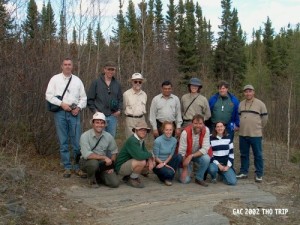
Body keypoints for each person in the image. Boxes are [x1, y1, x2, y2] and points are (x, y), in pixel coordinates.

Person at [45, 58, 87, 178]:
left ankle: (78, 166)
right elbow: (48, 95)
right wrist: (61, 104)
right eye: (65, 64)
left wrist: (78, 108)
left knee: (77, 142)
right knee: (63, 141)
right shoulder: (55, 79)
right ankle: (67, 167)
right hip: (60, 113)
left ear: (72, 67)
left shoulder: (77, 81)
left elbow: (83, 98)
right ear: (61, 66)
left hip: (74, 114)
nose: (67, 66)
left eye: (69, 65)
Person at [237, 85, 268, 183]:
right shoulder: (241, 104)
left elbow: (265, 119)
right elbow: (238, 117)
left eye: (250, 91)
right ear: (244, 93)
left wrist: (258, 127)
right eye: (246, 92)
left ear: (253, 92)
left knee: (258, 155)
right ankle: (244, 172)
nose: (248, 93)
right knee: (244, 154)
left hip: (256, 134)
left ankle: (259, 174)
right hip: (243, 134)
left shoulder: (260, 104)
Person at [79, 112, 119, 188]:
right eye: (97, 122)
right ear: (93, 123)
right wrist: (104, 157)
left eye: (102, 123)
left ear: (104, 124)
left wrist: (111, 166)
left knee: (115, 183)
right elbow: (87, 155)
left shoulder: (108, 136)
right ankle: (92, 179)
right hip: (87, 161)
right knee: (94, 163)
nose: (99, 125)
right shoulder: (85, 136)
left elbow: (114, 151)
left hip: (102, 163)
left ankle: (99, 175)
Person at [115, 121, 155, 188]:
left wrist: (150, 160)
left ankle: (128, 177)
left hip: (128, 163)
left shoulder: (140, 140)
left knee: (150, 162)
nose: (143, 132)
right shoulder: (132, 140)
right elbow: (139, 156)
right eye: (141, 130)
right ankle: (133, 178)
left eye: (145, 130)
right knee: (141, 161)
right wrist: (151, 154)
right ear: (136, 130)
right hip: (120, 167)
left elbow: (145, 151)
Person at [87, 61, 123, 138]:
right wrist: (95, 111)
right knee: (99, 138)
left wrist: (119, 110)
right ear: (104, 70)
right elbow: (90, 99)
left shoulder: (117, 84)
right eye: (109, 69)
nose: (111, 71)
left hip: (112, 116)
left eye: (113, 70)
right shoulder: (96, 83)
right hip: (99, 117)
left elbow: (120, 99)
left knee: (111, 139)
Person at [178, 114, 210, 187]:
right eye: (196, 123)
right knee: (185, 181)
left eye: (200, 123)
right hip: (185, 156)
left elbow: (205, 148)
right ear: (192, 123)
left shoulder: (206, 130)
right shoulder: (185, 133)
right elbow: (181, 152)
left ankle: (199, 178)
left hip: (195, 155)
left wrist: (191, 156)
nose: (198, 126)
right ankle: (184, 170)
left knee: (206, 158)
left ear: (203, 123)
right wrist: (185, 168)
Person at [153, 121, 182, 186]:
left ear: (173, 130)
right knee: (170, 172)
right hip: (159, 163)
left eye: (170, 130)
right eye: (166, 130)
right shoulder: (158, 141)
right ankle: (166, 176)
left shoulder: (174, 140)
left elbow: (171, 155)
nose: (169, 132)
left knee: (179, 157)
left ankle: (168, 177)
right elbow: (155, 157)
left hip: (167, 161)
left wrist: (165, 163)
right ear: (163, 130)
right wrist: (163, 163)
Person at [123, 73, 147, 138]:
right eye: (135, 81)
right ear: (132, 82)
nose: (138, 83)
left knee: (141, 139)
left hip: (141, 119)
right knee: (130, 139)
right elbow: (123, 107)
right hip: (130, 120)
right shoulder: (126, 94)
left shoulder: (144, 94)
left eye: (140, 82)